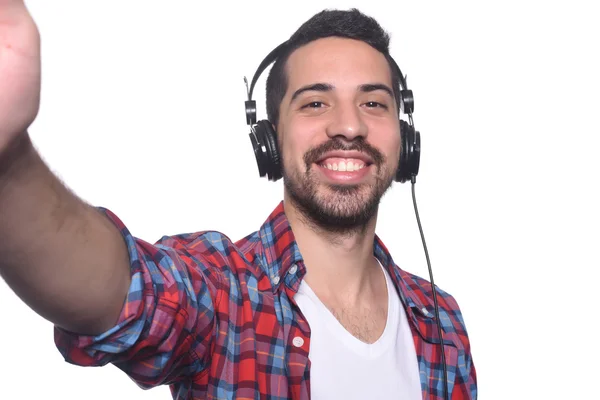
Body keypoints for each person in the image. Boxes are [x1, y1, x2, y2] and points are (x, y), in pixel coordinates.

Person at [0, 2, 476, 399]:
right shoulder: (222, 289)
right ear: (270, 138)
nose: (349, 126)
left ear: (404, 136)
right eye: (315, 102)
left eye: (373, 103)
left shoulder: (440, 320)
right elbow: (125, 293)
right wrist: (8, 160)